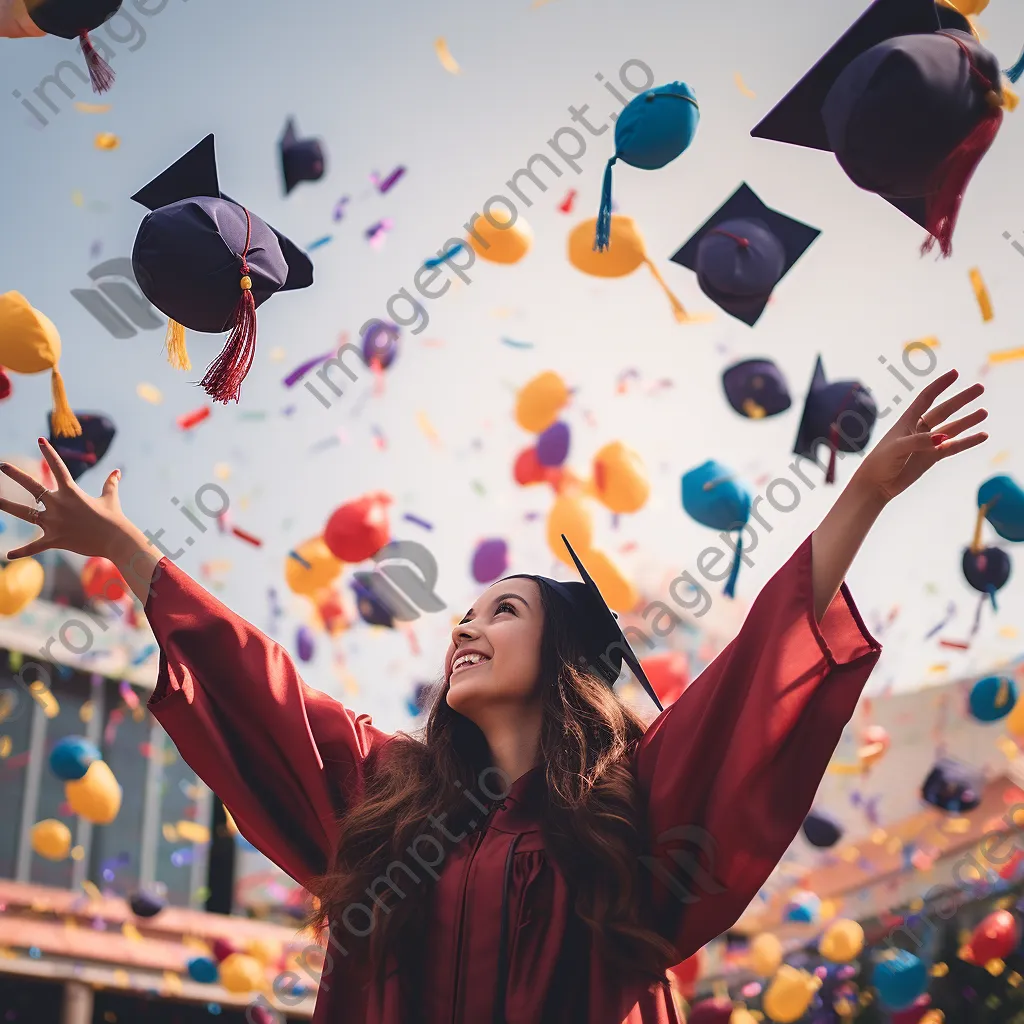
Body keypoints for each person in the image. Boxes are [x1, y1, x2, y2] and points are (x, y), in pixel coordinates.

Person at [0, 369, 987, 1023]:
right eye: (464, 614)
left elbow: (748, 683)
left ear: (560, 652)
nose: (464, 628)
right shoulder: (386, 792)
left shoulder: (631, 809)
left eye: (501, 611)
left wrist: (860, 497)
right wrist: (129, 551)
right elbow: (263, 688)